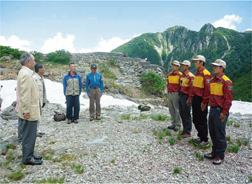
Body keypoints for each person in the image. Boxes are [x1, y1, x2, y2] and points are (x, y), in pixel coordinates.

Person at [204, 59, 233, 165]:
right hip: (212, 109)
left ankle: (220, 155)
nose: (214, 68)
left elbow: (228, 99)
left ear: (222, 68)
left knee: (220, 134)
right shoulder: (212, 80)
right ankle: (214, 152)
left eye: (216, 66)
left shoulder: (226, 81)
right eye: (214, 66)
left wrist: (224, 112)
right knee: (212, 132)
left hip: (220, 111)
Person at [17, 52, 43, 165]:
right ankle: (27, 158)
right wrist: (26, 110)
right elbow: (25, 94)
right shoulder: (25, 74)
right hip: (29, 111)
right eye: (33, 60)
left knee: (31, 134)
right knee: (29, 135)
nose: (35, 62)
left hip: (31, 110)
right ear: (28, 62)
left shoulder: (26, 73)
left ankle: (30, 154)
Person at [187, 55, 211, 146]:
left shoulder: (206, 73)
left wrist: (204, 102)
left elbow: (207, 89)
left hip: (202, 99)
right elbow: (194, 87)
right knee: (196, 119)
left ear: (201, 62)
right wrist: (190, 98)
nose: (195, 63)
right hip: (196, 98)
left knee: (202, 119)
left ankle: (205, 140)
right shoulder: (197, 73)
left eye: (196, 62)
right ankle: (200, 136)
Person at [179, 60, 194, 138]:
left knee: (187, 114)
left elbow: (191, 88)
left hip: (186, 96)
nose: (182, 66)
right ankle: (184, 129)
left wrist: (189, 98)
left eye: (184, 65)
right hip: (181, 95)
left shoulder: (191, 76)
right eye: (182, 65)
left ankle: (188, 131)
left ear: (188, 66)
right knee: (182, 113)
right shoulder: (182, 75)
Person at [32, 63, 48, 137]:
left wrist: (44, 101)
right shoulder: (34, 78)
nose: (44, 69)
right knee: (35, 116)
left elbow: (44, 91)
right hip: (35, 101)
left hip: (40, 101)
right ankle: (34, 131)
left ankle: (38, 130)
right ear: (39, 69)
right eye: (43, 68)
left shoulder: (41, 78)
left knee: (39, 116)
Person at [167, 60, 182, 131]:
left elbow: (181, 86)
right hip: (170, 93)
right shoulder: (169, 74)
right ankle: (173, 123)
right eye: (172, 65)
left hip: (176, 94)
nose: (172, 67)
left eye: (174, 66)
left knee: (177, 109)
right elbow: (168, 83)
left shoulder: (180, 75)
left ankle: (178, 124)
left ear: (178, 67)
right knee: (171, 109)